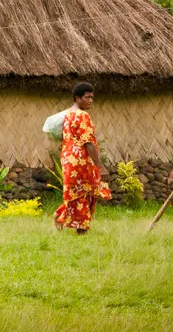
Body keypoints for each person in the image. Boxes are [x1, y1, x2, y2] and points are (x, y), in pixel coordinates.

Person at [54, 82, 111, 234]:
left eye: (92, 97)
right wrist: (100, 166)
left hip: (67, 159)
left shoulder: (67, 115)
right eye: (87, 97)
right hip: (81, 161)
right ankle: (80, 230)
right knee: (85, 193)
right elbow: (88, 143)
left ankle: (60, 215)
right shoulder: (83, 116)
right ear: (77, 98)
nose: (91, 100)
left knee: (75, 193)